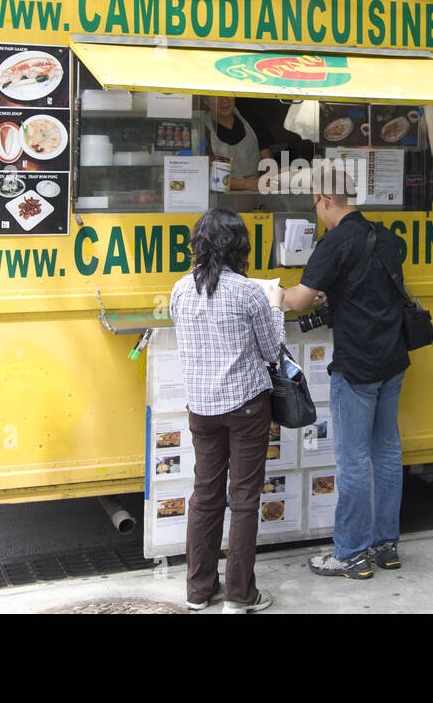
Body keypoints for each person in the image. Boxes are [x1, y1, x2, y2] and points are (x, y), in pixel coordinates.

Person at [278, 161, 409, 579]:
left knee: (352, 461)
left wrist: (267, 292)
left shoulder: (334, 243)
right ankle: (385, 546)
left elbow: (297, 300)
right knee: (386, 452)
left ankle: (350, 552)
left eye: (315, 203)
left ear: (324, 199)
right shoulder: (385, 237)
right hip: (394, 359)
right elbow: (370, 288)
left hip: (356, 366)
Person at [170, 208, 286, 612]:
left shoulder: (180, 290)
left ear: (198, 244)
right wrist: (277, 307)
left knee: (204, 495)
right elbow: (273, 353)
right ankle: (241, 595)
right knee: (244, 499)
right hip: (247, 407)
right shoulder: (249, 291)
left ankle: (199, 591)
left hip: (201, 408)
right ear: (240, 246)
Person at [203, 95, 275, 191]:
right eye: (216, 96)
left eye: (228, 94)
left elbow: (269, 163)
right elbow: (205, 177)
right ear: (206, 101)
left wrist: (279, 176)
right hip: (220, 196)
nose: (224, 101)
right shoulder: (202, 129)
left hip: (255, 194)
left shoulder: (250, 120)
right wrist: (250, 184)